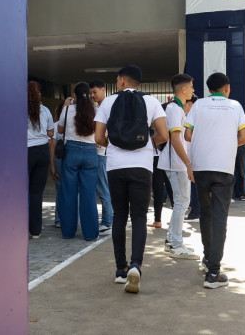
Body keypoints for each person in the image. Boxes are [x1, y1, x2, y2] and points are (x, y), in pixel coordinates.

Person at [95, 65, 168, 294]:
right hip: (142, 166)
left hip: (115, 166)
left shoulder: (108, 102)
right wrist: (147, 145)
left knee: (119, 214)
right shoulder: (152, 102)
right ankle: (136, 265)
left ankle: (120, 269)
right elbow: (164, 134)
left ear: (122, 81)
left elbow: (98, 137)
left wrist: (113, 147)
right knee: (138, 216)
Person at [184, 72, 245, 289]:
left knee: (205, 213)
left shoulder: (199, 105)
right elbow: (244, 137)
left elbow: (187, 135)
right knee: (220, 217)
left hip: (201, 167)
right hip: (224, 168)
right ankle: (213, 273)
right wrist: (226, 145)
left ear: (208, 88)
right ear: (227, 88)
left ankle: (207, 258)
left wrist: (207, 140)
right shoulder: (235, 106)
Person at [158, 74, 199, 259]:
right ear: (183, 89)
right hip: (176, 163)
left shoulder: (177, 109)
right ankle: (176, 244)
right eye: (191, 87)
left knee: (181, 202)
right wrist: (188, 163)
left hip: (177, 162)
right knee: (182, 203)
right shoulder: (175, 109)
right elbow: (175, 139)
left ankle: (171, 241)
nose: (193, 90)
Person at [58, 82, 100, 241]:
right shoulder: (96, 111)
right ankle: (90, 234)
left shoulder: (68, 110)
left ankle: (68, 232)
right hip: (90, 153)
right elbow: (100, 133)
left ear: (74, 96)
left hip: (71, 153)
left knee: (68, 193)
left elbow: (60, 130)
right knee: (88, 195)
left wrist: (66, 106)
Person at [27, 81, 54, 239]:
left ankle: (21, 225)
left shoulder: (19, 109)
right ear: (39, 95)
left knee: (22, 191)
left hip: (26, 152)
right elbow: (51, 132)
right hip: (43, 151)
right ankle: (36, 230)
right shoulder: (45, 110)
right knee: (37, 192)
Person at [89, 79, 114, 234]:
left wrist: (103, 136)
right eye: (91, 93)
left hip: (102, 154)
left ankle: (107, 220)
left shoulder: (107, 106)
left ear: (103, 90)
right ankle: (109, 218)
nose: (92, 95)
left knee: (103, 188)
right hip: (97, 153)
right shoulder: (98, 107)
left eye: (95, 92)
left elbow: (109, 127)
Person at [50, 101, 66, 228]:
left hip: (63, 159)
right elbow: (52, 145)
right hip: (60, 159)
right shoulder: (56, 126)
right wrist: (52, 165)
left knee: (63, 190)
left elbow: (53, 145)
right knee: (61, 190)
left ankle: (62, 219)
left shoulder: (71, 124)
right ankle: (60, 218)